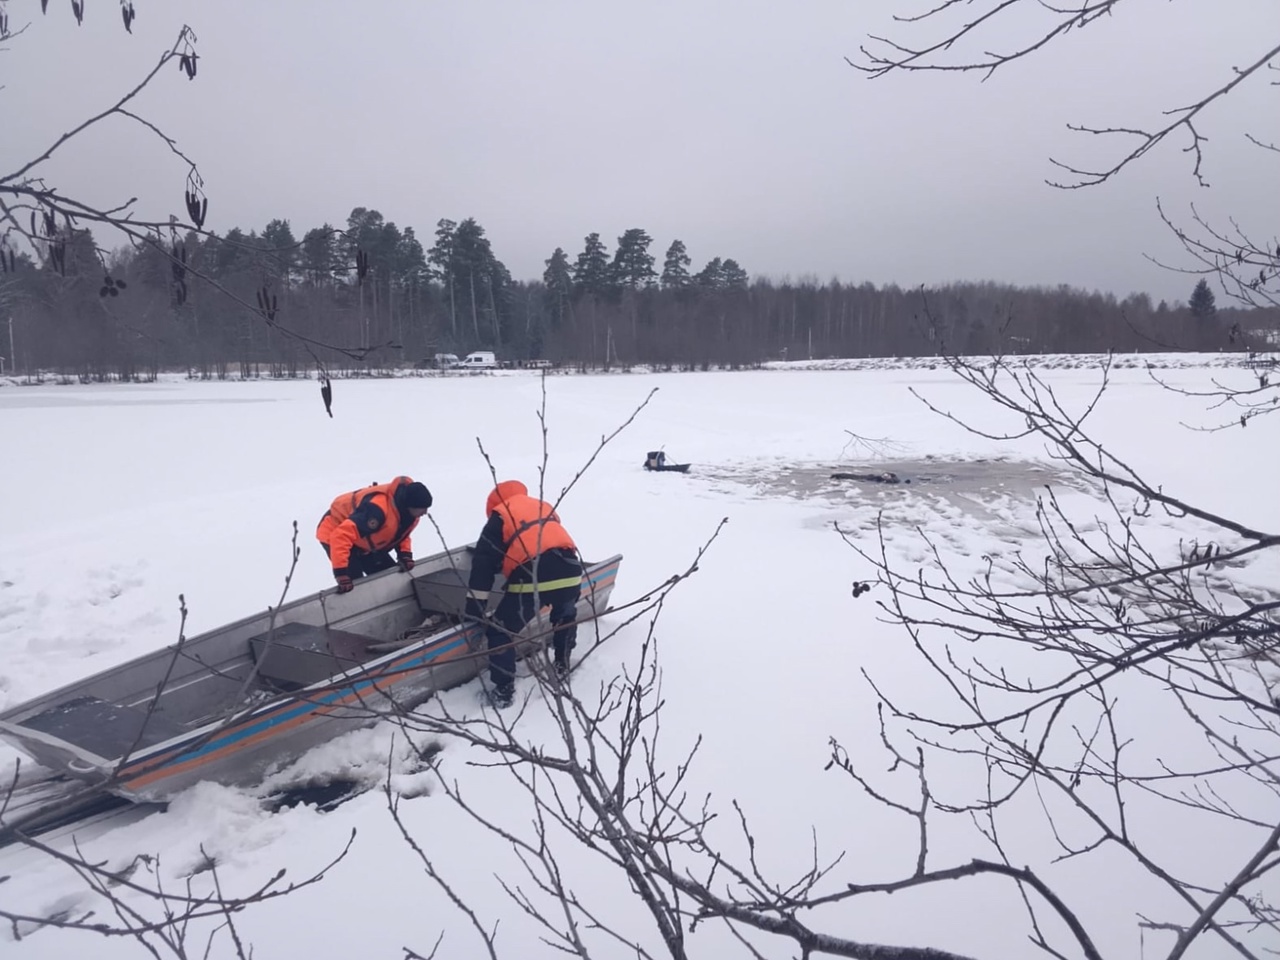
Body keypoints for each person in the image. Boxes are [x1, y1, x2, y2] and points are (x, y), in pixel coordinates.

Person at [465, 479, 582, 709]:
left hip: (535, 576)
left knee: (500, 632)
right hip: (571, 570)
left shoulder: (499, 516)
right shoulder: (542, 506)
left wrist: (475, 609)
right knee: (564, 617)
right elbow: (544, 539)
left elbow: (482, 565)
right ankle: (562, 665)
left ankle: (503, 692)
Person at [316, 476, 433, 593]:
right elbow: (341, 536)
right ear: (409, 505)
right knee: (355, 587)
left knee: (390, 578)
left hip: (366, 538)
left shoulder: (410, 515)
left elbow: (401, 534)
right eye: (422, 509)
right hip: (336, 532)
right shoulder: (376, 510)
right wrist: (341, 573)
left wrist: (405, 554)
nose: (425, 513)